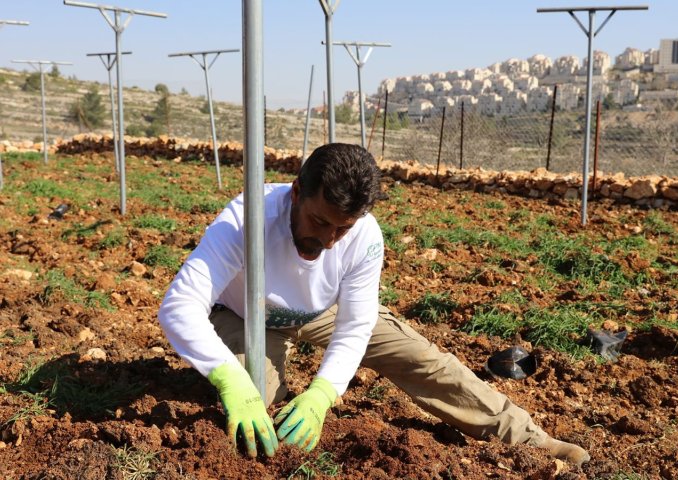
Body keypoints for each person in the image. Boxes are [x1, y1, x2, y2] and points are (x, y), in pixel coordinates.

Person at [157, 143, 590, 465]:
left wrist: (323, 394)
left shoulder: (364, 235)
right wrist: (232, 381)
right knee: (259, 404)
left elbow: (355, 326)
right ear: (295, 194)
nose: (327, 241)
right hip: (244, 314)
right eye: (319, 222)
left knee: (424, 359)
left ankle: (528, 438)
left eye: (340, 229)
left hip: (322, 310)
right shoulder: (245, 219)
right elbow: (179, 306)